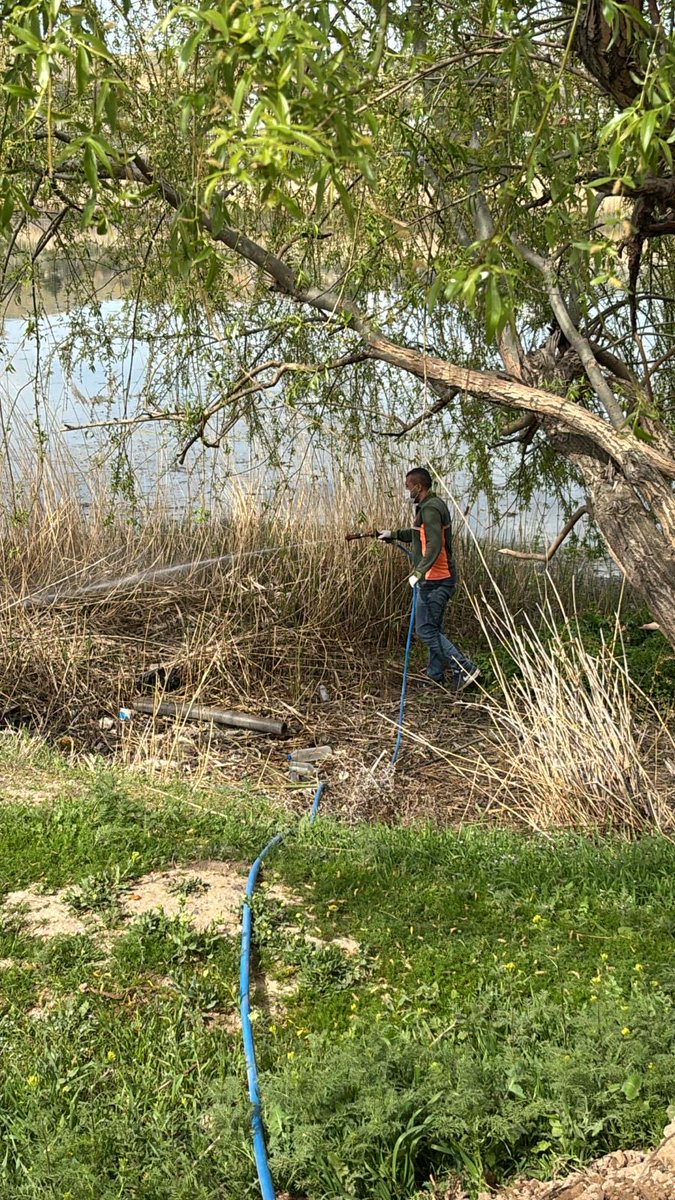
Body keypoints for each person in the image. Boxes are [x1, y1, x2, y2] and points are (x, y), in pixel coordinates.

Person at [378, 467, 480, 691]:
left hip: (437, 580)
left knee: (425, 629)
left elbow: (435, 544)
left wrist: (418, 572)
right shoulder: (427, 506)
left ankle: (465, 669)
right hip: (436, 578)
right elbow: (419, 535)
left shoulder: (431, 509)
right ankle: (436, 674)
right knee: (434, 627)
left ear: (418, 487)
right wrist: (393, 534)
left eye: (407, 488)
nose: (406, 492)